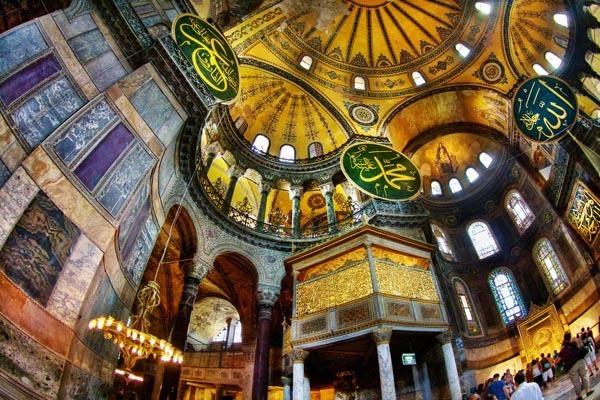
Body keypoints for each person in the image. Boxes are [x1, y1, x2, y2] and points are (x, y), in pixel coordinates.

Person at [556, 331, 595, 400]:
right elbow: (579, 346)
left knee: (576, 381)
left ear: (564, 339)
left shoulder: (563, 348)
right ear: (570, 336)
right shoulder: (574, 341)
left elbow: (557, 360)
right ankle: (588, 390)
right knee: (584, 375)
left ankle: (579, 396)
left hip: (571, 366)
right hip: (580, 360)